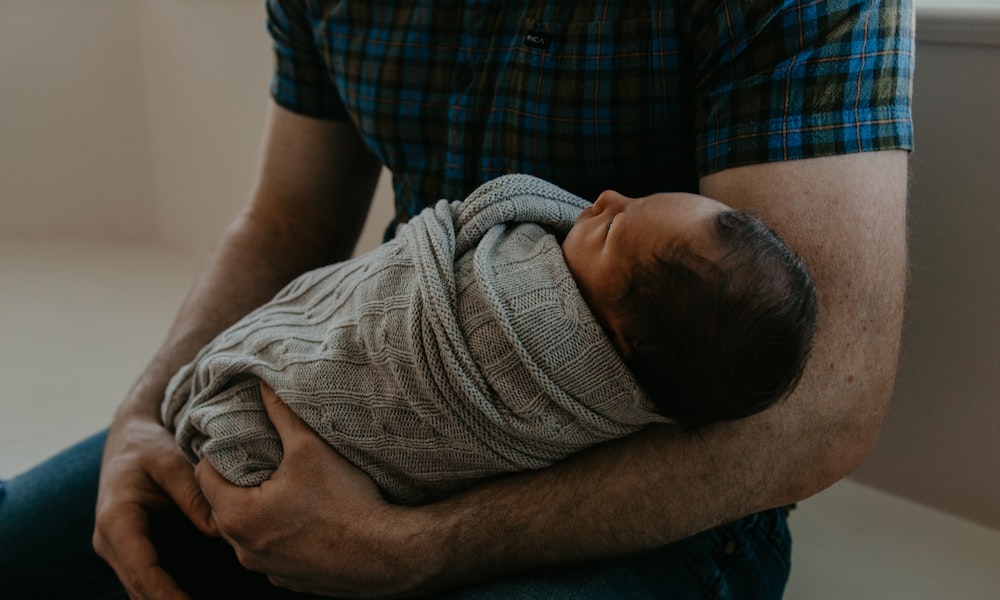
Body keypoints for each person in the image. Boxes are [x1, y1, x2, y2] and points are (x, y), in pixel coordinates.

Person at [0, 0, 913, 600]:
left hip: (642, 497)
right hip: (362, 385)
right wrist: (143, 416)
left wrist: (419, 546)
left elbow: (827, 400)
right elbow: (285, 224)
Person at [163, 173, 817, 504]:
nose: (607, 198)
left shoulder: (523, 323)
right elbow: (285, 218)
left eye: (615, 230)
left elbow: (410, 342)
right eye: (631, 201)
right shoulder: (649, 372)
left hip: (316, 407)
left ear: (617, 340)